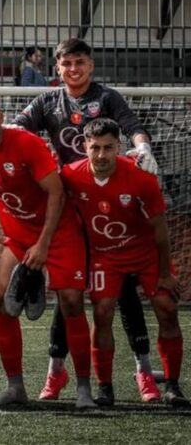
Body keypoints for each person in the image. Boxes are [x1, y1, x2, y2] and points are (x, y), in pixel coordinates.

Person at [13, 37, 162, 402]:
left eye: (80, 62)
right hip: (69, 205)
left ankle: (144, 372)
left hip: (109, 203)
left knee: (123, 290)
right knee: (70, 292)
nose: (74, 69)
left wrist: (142, 147)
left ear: (90, 66)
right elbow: (16, 129)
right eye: (67, 64)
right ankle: (55, 372)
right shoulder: (47, 101)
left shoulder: (106, 97)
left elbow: (132, 125)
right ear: (58, 69)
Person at [0, 88, 95, 409]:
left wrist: (43, 245)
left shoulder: (26, 144)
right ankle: (15, 387)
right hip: (18, 238)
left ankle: (85, 389)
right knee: (0, 303)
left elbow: (57, 194)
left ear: (1, 116)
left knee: (72, 303)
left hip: (59, 233)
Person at [62, 118, 187, 408]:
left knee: (167, 308)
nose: (102, 155)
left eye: (109, 148)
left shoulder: (141, 178)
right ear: (84, 146)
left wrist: (166, 272)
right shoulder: (70, 175)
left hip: (146, 255)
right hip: (105, 256)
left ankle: (172, 386)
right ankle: (105, 387)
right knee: (103, 313)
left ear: (120, 146)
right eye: (95, 148)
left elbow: (160, 228)